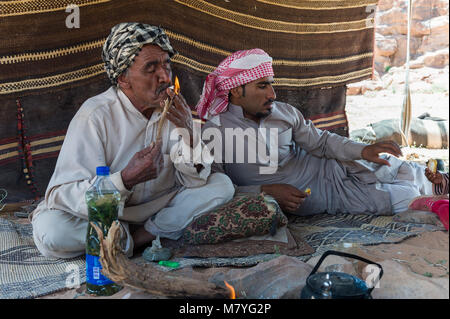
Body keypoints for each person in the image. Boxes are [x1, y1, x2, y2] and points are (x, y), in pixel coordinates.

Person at [30, 23, 234, 259]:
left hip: (158, 208)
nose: (164, 77)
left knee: (222, 185)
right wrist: (125, 179)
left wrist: (187, 131)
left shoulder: (175, 111)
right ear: (123, 79)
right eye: (151, 68)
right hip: (104, 212)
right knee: (53, 232)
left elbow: (195, 182)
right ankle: (135, 238)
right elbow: (64, 194)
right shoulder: (96, 115)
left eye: (166, 64)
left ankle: (141, 236)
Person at [198, 48, 433, 216]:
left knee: (410, 171)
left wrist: (363, 150)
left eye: (271, 84)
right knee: (407, 198)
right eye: (262, 86)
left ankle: (433, 181)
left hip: (335, 165)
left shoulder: (283, 112)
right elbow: (215, 189)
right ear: (236, 91)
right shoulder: (214, 132)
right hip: (326, 193)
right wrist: (264, 191)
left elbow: (320, 142)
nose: (272, 94)